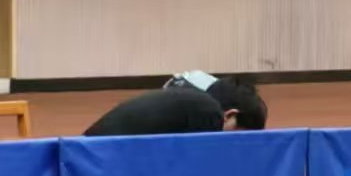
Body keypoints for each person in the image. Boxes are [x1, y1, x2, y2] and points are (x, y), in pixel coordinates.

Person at [84, 73, 268, 137]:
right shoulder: (209, 111)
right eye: (236, 134)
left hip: (87, 152)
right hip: (101, 159)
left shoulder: (191, 102)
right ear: (230, 115)